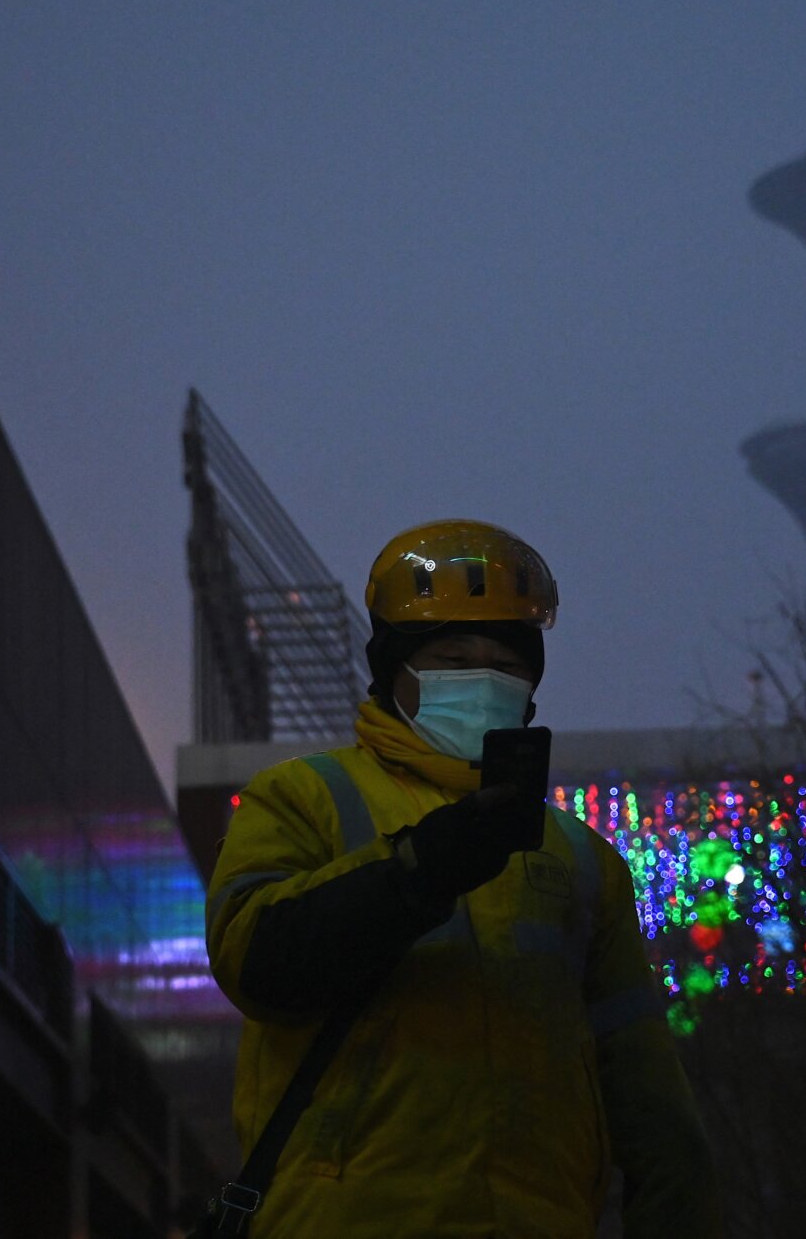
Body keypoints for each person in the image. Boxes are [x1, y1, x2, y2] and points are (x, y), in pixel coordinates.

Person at [205, 519, 722, 1237]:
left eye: (505, 666)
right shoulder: (302, 797)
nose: (482, 680)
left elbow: (652, 1103)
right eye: (452, 658)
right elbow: (256, 962)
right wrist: (421, 866)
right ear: (394, 669)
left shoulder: (580, 859)